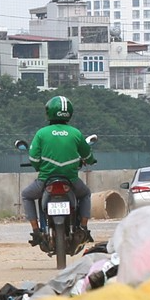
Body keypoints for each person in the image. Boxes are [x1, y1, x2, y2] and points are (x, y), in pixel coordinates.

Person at [21, 94, 96, 245]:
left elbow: (34, 158)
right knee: (86, 194)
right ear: (69, 112)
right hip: (71, 180)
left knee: (26, 195)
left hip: (45, 180)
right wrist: (90, 161)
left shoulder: (41, 133)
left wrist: (39, 167)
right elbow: (87, 155)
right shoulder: (76, 133)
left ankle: (36, 231)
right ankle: (84, 228)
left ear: (48, 112)